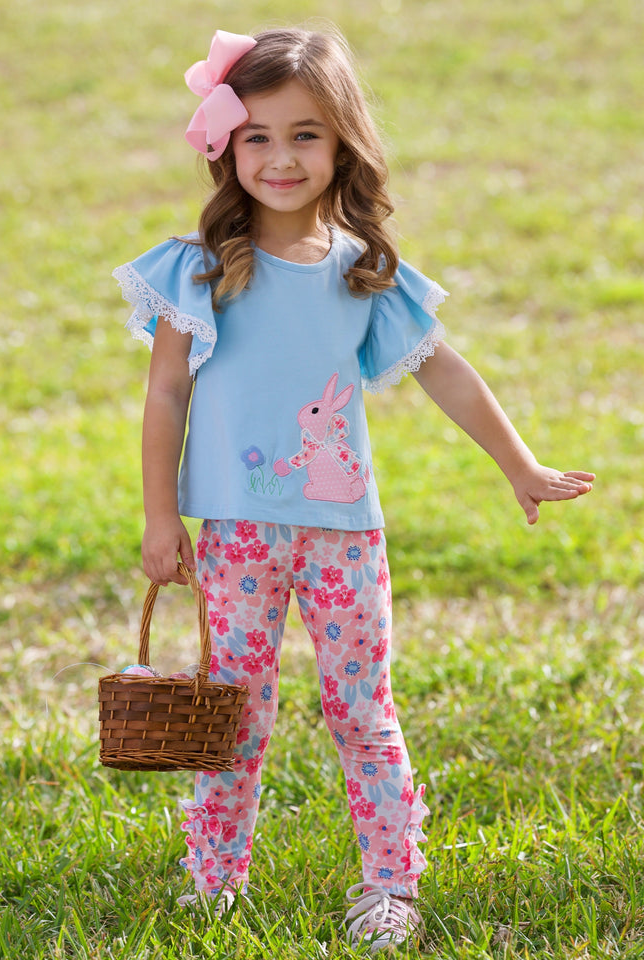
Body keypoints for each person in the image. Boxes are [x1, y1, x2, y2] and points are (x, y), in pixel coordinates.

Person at [113, 26, 594, 953]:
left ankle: (390, 883)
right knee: (232, 711)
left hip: (343, 537)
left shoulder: (363, 273)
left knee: (363, 710)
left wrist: (519, 463)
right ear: (225, 145)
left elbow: (445, 371)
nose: (281, 157)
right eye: (257, 136)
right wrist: (160, 514)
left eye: (306, 134)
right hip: (237, 535)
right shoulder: (199, 268)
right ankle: (214, 880)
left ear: (343, 145)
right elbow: (166, 393)